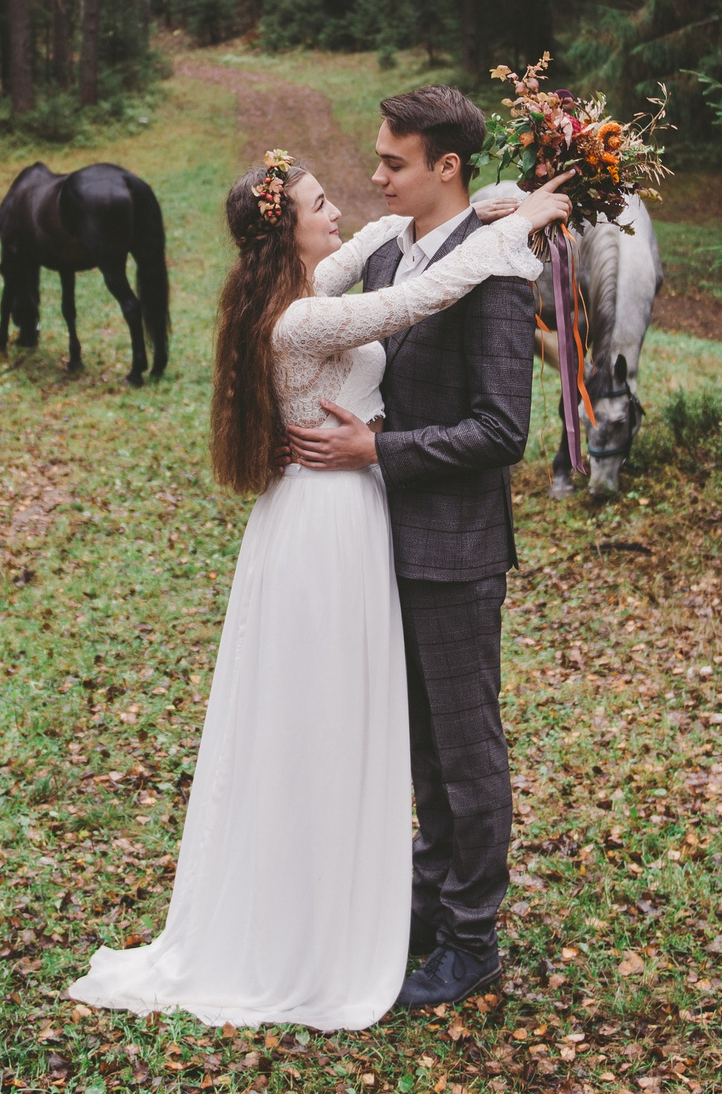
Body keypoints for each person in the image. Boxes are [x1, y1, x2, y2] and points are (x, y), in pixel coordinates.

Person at [67, 148, 572, 1029]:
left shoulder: (290, 288)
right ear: (287, 227)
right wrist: (517, 231)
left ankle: (365, 894)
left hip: (329, 516)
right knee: (329, 713)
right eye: (316, 202)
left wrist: (482, 203)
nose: (338, 207)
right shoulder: (300, 322)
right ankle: (322, 916)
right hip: (329, 524)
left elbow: (384, 238)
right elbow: (418, 297)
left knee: (341, 710)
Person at [283, 85, 535, 1008]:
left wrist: (376, 448)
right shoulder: (389, 250)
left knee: (467, 747)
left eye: (393, 161)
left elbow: (504, 427)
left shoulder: (500, 265)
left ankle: (474, 940)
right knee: (419, 745)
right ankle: (426, 912)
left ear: (447, 167)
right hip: (380, 542)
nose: (376, 173)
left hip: (456, 547)